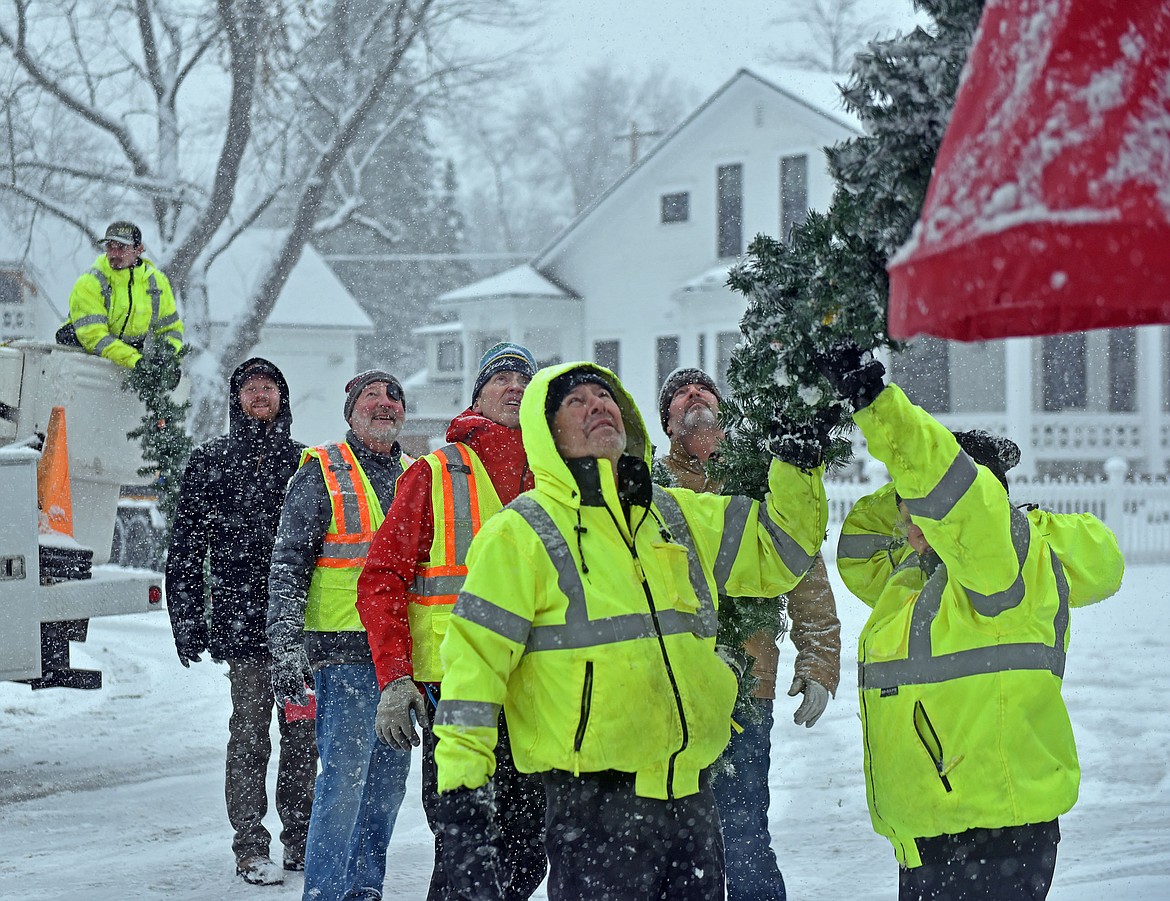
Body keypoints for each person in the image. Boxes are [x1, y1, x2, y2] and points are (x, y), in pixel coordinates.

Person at [431, 361, 830, 901]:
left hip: (691, 800)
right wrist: (461, 800)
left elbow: (782, 551)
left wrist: (798, 459)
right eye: (577, 402)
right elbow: (472, 675)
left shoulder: (673, 514)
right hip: (594, 813)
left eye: (605, 396)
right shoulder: (520, 533)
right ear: (546, 435)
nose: (598, 405)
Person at [822, 342, 1125, 901]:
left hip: (988, 838)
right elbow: (858, 549)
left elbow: (960, 503)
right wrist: (907, 490)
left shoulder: (997, 568)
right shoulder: (919, 578)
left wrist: (878, 406)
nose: (907, 517)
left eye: (922, 505)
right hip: (938, 834)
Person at [357, 342, 547, 901]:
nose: (513, 386)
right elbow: (382, 578)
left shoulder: (559, 473)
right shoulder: (434, 473)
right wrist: (394, 676)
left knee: (529, 845)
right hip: (456, 690)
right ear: (477, 396)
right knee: (463, 845)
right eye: (500, 378)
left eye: (524, 379)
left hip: (539, 687)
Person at [656, 367, 841, 901]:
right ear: (668, 421)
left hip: (748, 687)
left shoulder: (760, 483)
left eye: (704, 391)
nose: (694, 396)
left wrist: (818, 662)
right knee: (669, 837)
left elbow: (806, 573)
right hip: (671, 686)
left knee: (742, 831)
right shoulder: (647, 482)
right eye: (681, 394)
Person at [165, 358, 316, 886]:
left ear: (283, 397)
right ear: (236, 399)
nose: (260, 394)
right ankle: (250, 846)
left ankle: (301, 838)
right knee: (250, 736)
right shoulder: (210, 462)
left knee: (303, 738)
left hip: (297, 631)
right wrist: (186, 619)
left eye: (269, 386)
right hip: (242, 628)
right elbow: (185, 550)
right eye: (250, 387)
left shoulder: (306, 463)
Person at [267, 370, 414, 901]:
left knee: (387, 788)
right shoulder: (324, 470)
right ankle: (325, 894)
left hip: (400, 660)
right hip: (343, 653)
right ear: (350, 412)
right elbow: (288, 562)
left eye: (392, 396)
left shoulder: (416, 474)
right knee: (345, 782)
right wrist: (284, 645)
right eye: (369, 396)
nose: (383, 404)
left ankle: (363, 890)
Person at [57, 220, 184, 368]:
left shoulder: (158, 283)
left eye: (122, 247)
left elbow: (171, 330)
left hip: (126, 366)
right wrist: (135, 361)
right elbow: (93, 336)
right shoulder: (90, 282)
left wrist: (166, 360)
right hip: (83, 364)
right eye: (110, 246)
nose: (114, 253)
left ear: (139, 250)